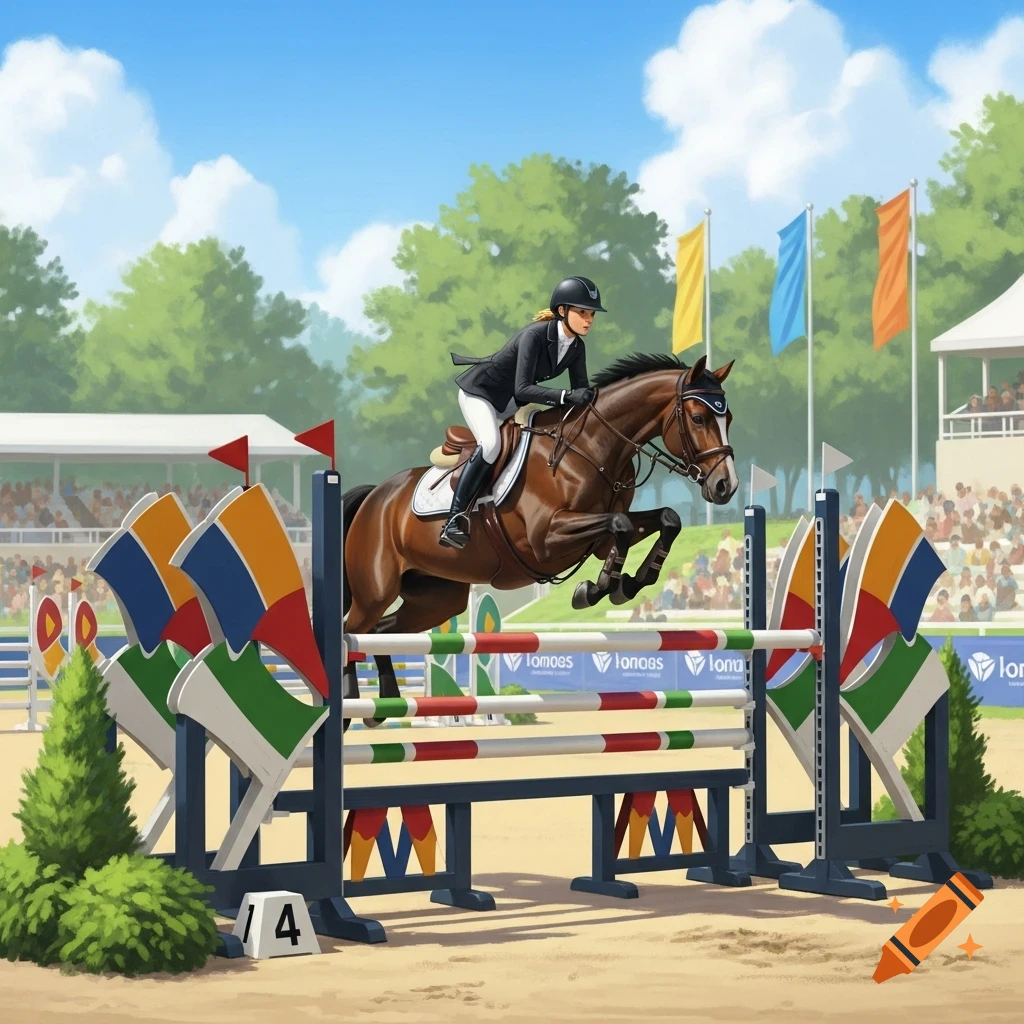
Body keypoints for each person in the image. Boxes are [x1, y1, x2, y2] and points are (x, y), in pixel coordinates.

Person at [439, 277, 605, 548]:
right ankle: (454, 519)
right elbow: (524, 388)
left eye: (592, 314)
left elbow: (581, 393)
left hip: (510, 403)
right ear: (562, 311)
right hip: (481, 393)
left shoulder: (576, 347)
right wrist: (564, 396)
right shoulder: (534, 336)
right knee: (491, 445)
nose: (589, 320)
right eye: (582, 312)